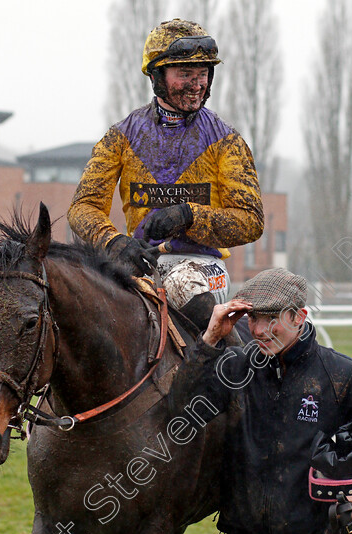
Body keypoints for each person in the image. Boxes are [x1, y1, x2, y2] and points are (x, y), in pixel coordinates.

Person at [173, 268, 352, 534]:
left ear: (299, 317)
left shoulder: (340, 374)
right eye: (253, 317)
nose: (258, 330)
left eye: (271, 318)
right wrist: (209, 340)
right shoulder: (236, 368)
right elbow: (181, 412)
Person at [67, 18, 263, 324]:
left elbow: (251, 221)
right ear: (157, 75)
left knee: (180, 281)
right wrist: (113, 242)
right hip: (139, 263)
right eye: (185, 73)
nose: (197, 84)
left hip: (202, 266)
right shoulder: (119, 137)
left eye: (203, 74)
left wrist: (189, 215)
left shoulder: (228, 141)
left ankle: (230, 362)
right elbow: (83, 207)